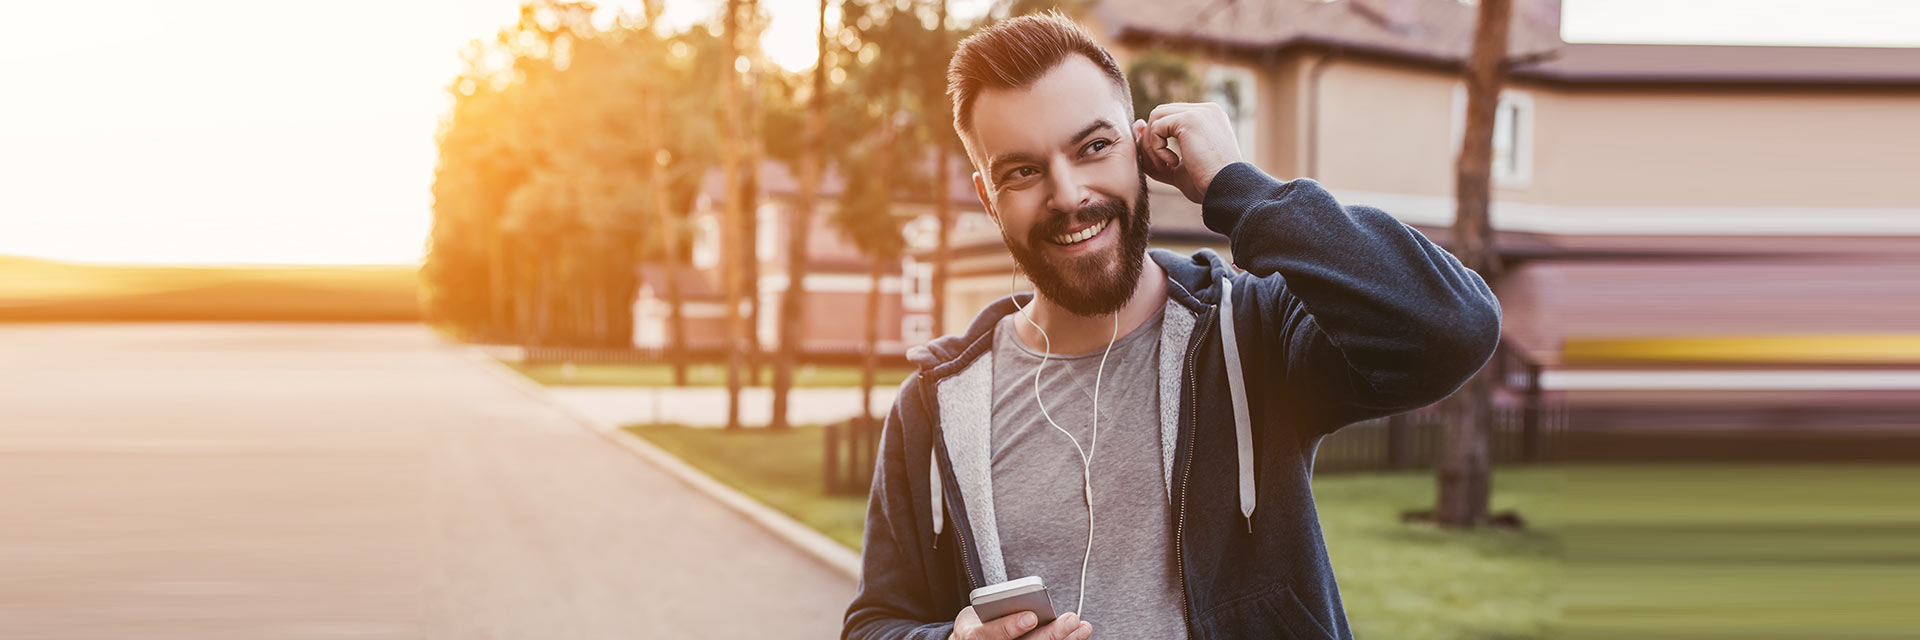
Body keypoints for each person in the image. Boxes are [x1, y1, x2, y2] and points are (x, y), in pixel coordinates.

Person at [843, 12, 1501, 640]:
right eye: (1022, 170)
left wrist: (1239, 188)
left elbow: (1452, 328)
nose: (1069, 194)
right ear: (989, 198)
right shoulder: (934, 409)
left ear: (1140, 149)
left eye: (1093, 146)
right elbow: (875, 622)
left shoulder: (1249, 334)